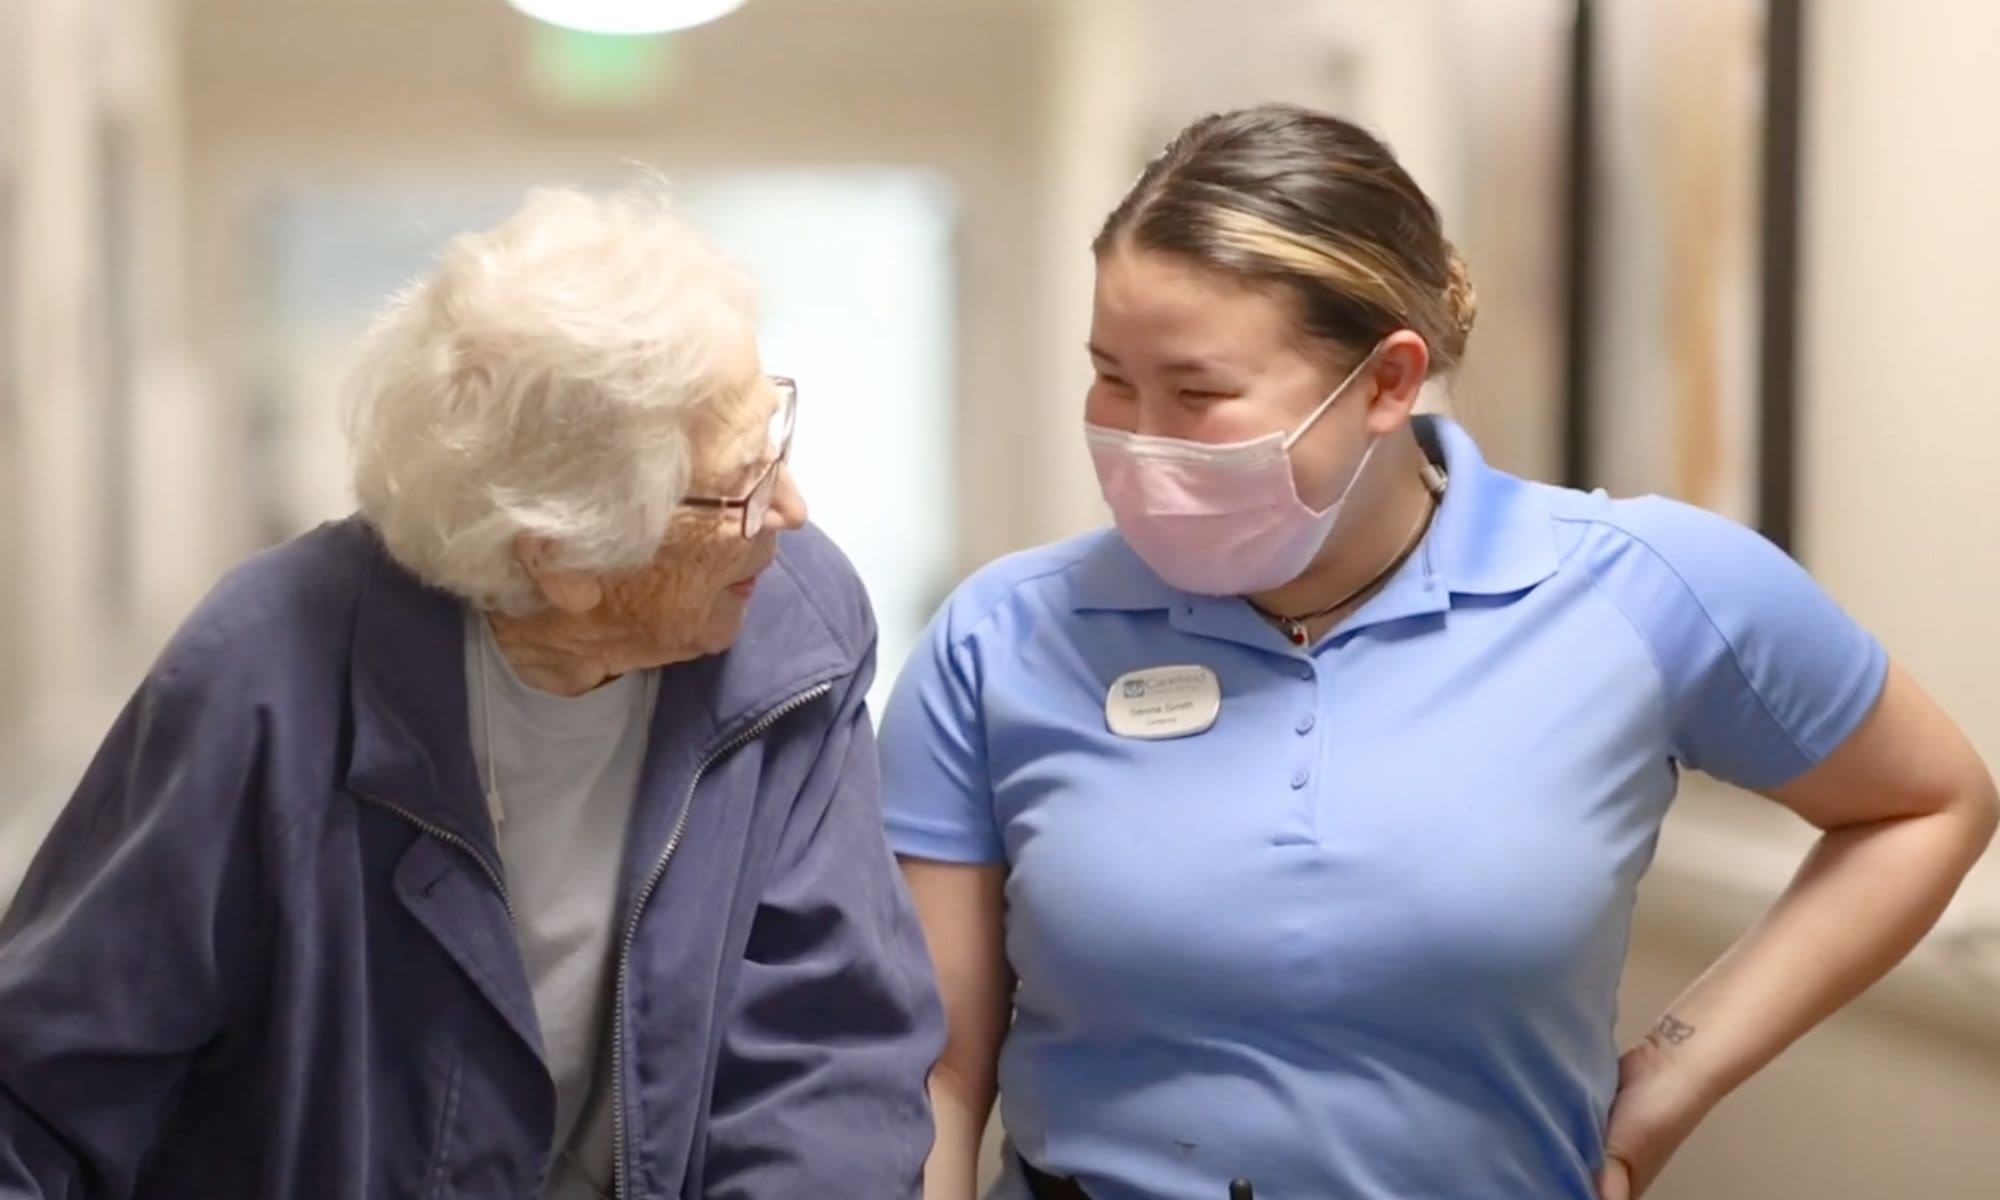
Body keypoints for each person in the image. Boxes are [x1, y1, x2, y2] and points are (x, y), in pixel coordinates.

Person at [879, 104, 1997, 1200]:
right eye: (1111, 376)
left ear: (1384, 382)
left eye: (1197, 391)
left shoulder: (1640, 589)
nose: (1136, 433)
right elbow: (938, 1068)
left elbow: (1924, 802)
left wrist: (1674, 1073)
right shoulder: (1002, 637)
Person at [0, 187, 943, 1199]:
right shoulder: (264, 671)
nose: (793, 512)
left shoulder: (795, 632)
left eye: (778, 441)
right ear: (564, 555)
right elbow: (50, 1079)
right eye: (741, 484)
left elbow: (826, 1053)